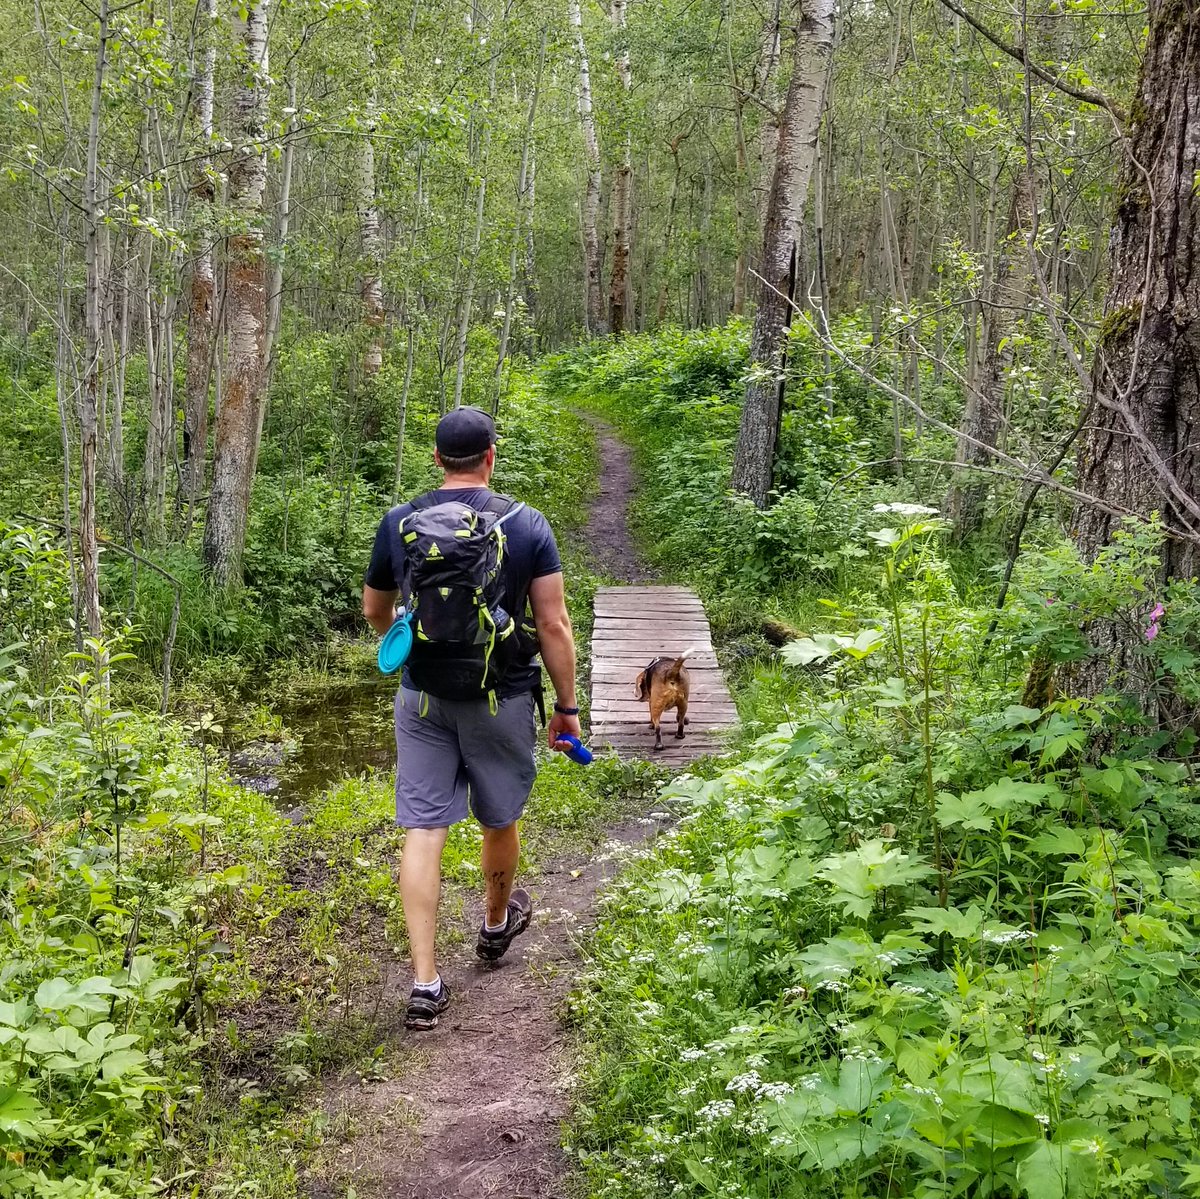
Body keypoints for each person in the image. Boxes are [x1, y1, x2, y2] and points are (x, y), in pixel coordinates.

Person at [361, 406, 581, 1030]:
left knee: (424, 828)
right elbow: (553, 624)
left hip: (422, 698)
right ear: (490, 455)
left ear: (437, 459)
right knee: (499, 815)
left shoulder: (400, 522)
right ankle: (492, 924)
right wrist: (566, 708)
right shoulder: (527, 523)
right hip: (501, 696)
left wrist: (405, 646)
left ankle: (426, 983)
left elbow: (376, 610)